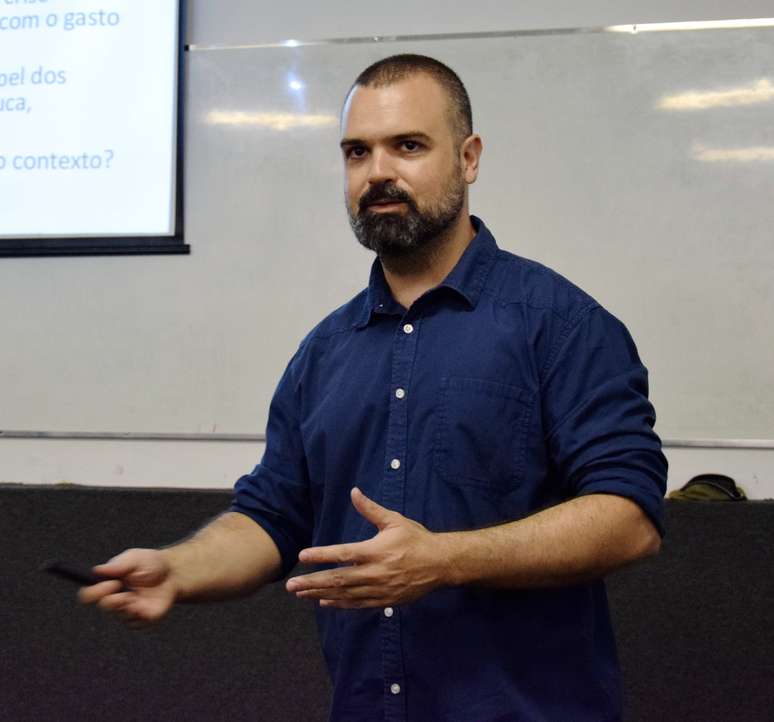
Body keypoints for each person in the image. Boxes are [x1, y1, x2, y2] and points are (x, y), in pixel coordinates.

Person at [81, 54, 667, 721]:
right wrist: (178, 570)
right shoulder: (324, 353)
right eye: (357, 152)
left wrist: (443, 560)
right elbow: (272, 517)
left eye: (408, 146)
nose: (378, 172)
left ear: (469, 158)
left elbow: (629, 517)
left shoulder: (562, 326)